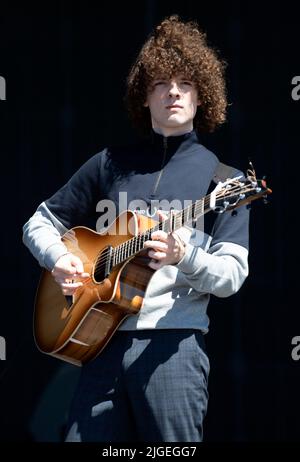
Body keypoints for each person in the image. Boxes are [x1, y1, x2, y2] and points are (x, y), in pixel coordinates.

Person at [23, 15, 249, 442]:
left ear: (203, 96)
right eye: (161, 84)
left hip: (173, 351)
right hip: (97, 342)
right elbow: (39, 222)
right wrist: (60, 259)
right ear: (144, 97)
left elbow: (232, 276)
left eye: (185, 83)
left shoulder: (224, 181)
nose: (174, 93)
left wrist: (185, 256)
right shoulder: (108, 163)